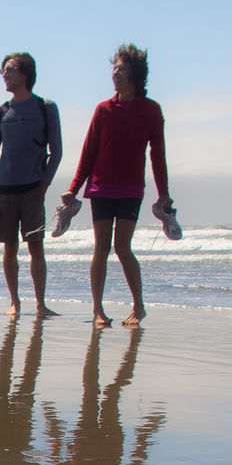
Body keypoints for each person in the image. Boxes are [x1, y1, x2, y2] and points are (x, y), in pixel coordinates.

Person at [59, 44, 176, 327]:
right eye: (113, 69)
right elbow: (89, 152)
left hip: (131, 189)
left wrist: (164, 195)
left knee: (122, 247)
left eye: (121, 69)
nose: (115, 74)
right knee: (101, 247)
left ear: (135, 73)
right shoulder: (103, 110)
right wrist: (74, 189)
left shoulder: (151, 110)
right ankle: (97, 309)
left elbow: (157, 156)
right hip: (101, 188)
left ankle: (139, 305)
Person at [0, 53, 63, 319]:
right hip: (4, 189)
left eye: (10, 70)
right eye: (3, 70)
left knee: (35, 245)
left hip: (32, 189)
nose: (4, 74)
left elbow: (57, 151)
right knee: (9, 247)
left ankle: (40, 304)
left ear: (25, 74)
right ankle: (15, 303)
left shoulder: (45, 107)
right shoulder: (1, 112)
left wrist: (44, 184)